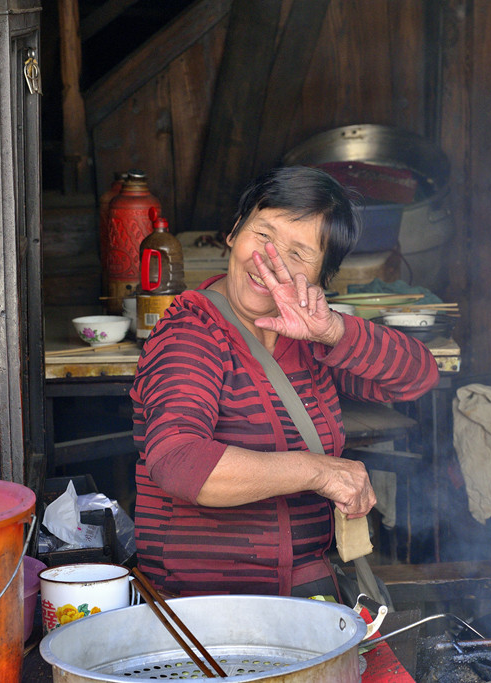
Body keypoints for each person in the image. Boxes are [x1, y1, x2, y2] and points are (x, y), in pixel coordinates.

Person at [131, 166, 439, 599]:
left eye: (298, 253)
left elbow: (417, 377)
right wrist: (317, 471)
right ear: (235, 232)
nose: (269, 262)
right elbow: (179, 461)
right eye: (264, 235)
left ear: (322, 277)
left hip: (304, 595)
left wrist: (333, 330)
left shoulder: (308, 337)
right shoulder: (192, 332)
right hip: (207, 605)